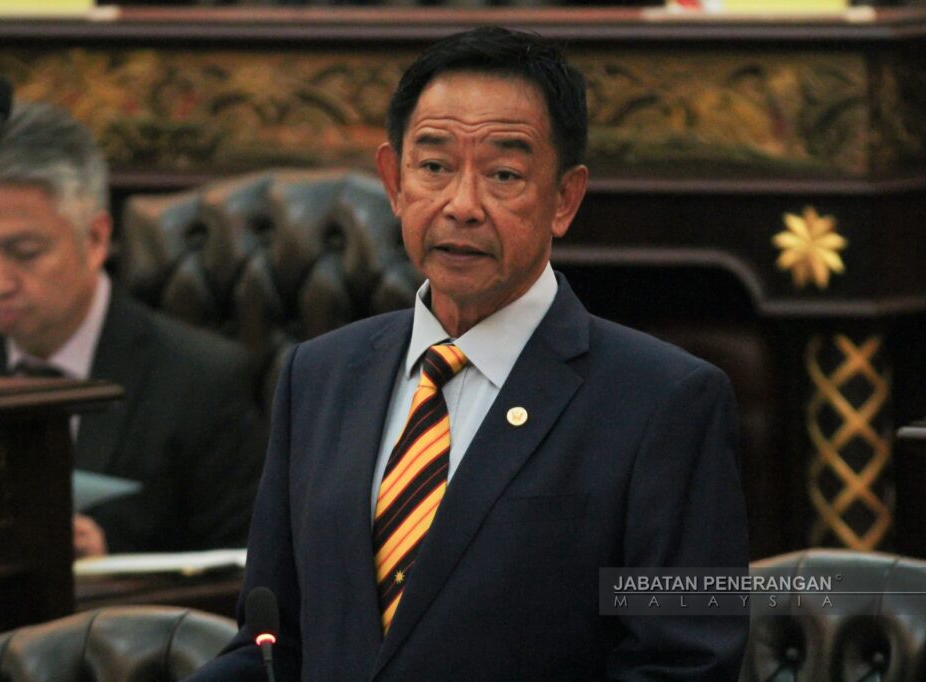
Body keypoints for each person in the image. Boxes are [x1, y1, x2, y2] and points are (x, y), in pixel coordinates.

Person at [190, 26, 749, 681]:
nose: (462, 206)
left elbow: (686, 664)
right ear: (394, 181)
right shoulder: (318, 375)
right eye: (434, 167)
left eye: (504, 175)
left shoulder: (667, 402)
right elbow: (270, 642)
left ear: (564, 199)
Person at [0, 102, 264, 556]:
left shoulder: (201, 381)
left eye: (25, 252)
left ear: (95, 237)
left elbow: (246, 568)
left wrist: (110, 563)